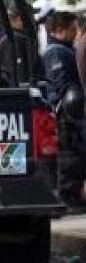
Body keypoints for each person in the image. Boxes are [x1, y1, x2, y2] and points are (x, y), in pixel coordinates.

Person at [43, 11, 86, 208]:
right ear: (59, 30)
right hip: (66, 115)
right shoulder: (56, 52)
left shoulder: (65, 49)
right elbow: (61, 86)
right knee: (70, 157)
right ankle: (68, 198)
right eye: (72, 29)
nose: (75, 32)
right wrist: (70, 106)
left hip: (73, 113)